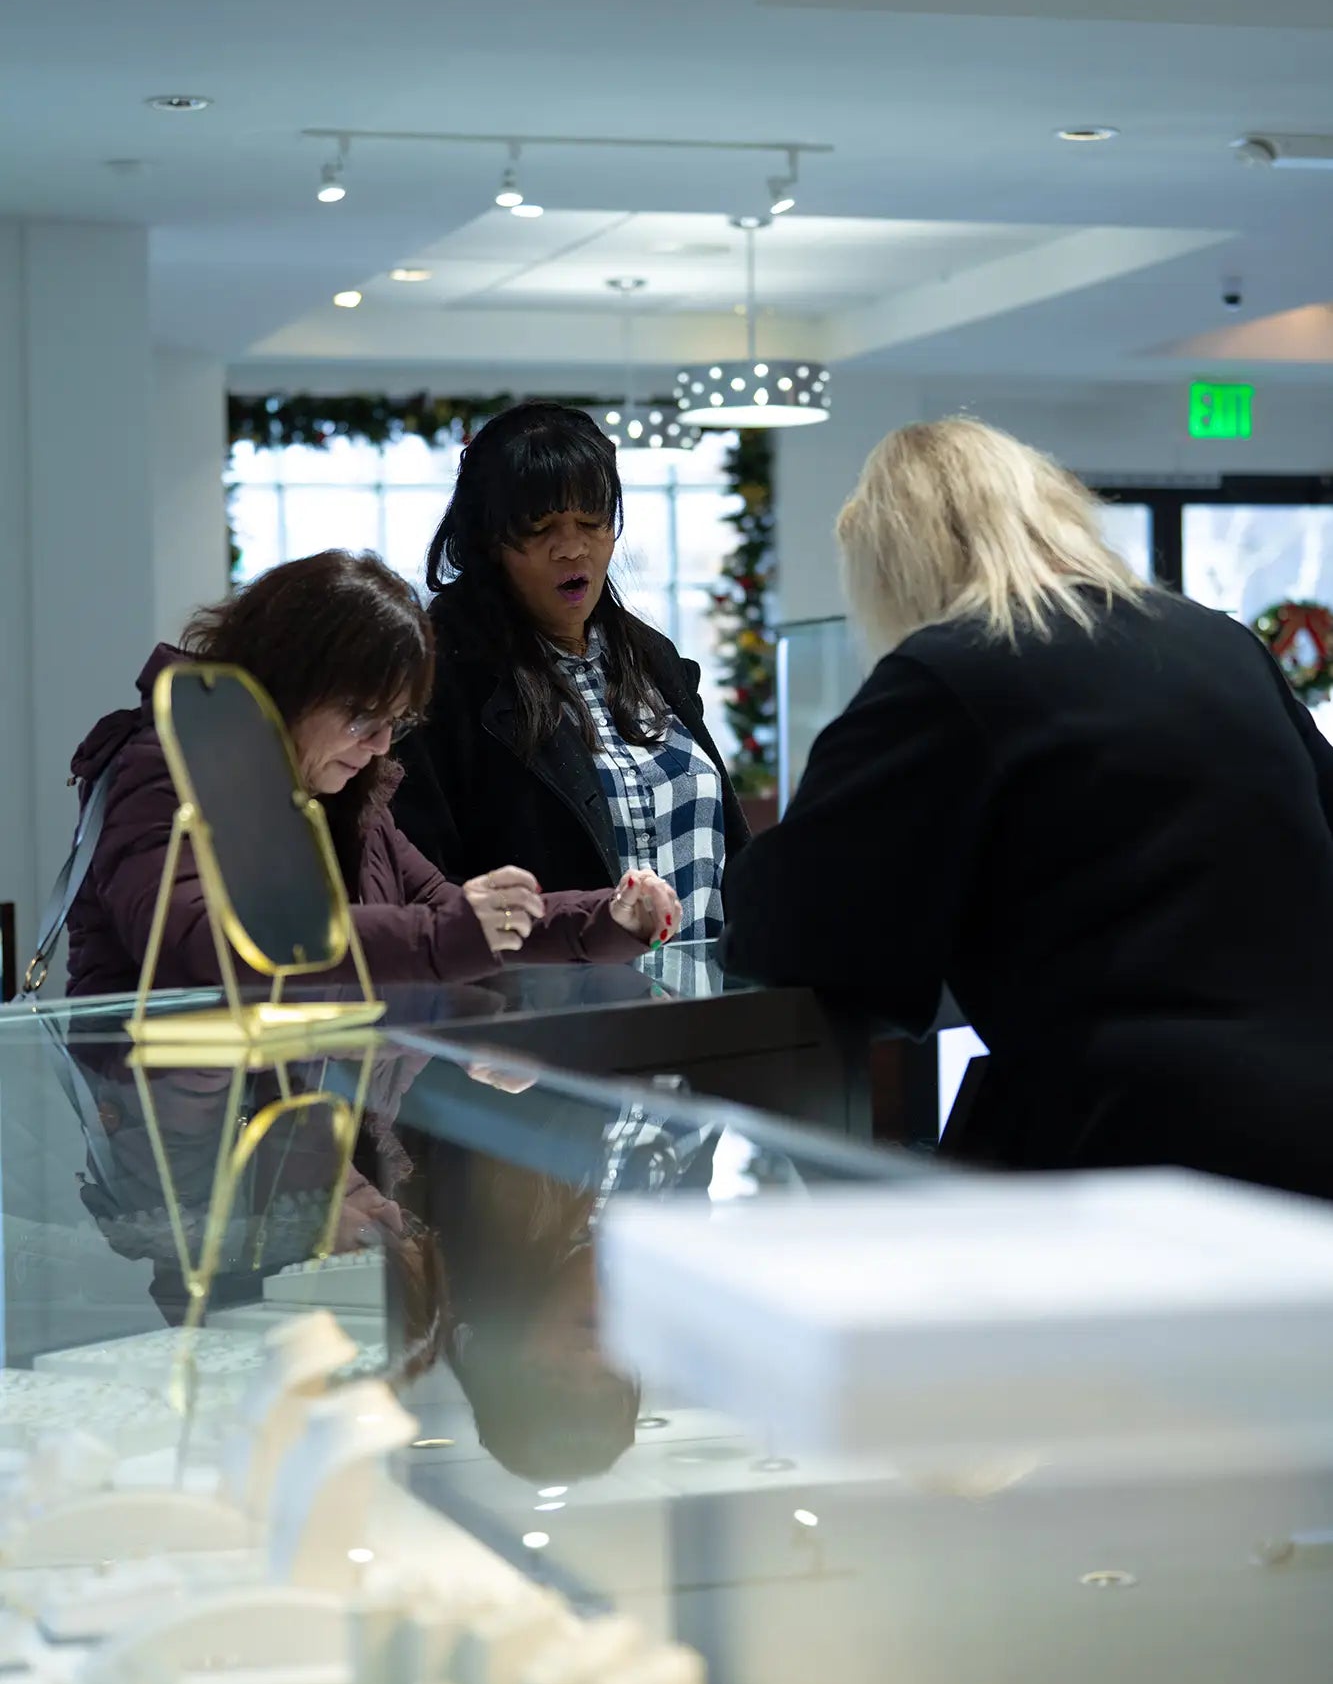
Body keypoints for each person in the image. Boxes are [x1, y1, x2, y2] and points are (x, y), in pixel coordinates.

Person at [721, 417, 1333, 1200]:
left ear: (898, 561)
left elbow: (792, 922)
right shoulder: (1219, 641)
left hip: (1134, 1134)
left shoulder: (952, 668)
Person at [66, 550, 680, 999]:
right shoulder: (162, 769)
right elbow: (198, 942)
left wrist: (606, 919)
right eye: (362, 717)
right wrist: (440, 937)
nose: (382, 744)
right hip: (174, 1124)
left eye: (396, 721)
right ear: (288, 684)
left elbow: (446, 909)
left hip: (305, 1115)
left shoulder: (350, 796)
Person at [392, 402, 749, 942]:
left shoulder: (650, 657)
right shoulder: (443, 676)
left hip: (697, 983)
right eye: (541, 528)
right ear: (490, 540)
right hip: (544, 991)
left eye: (591, 522)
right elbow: (427, 891)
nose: (572, 548)